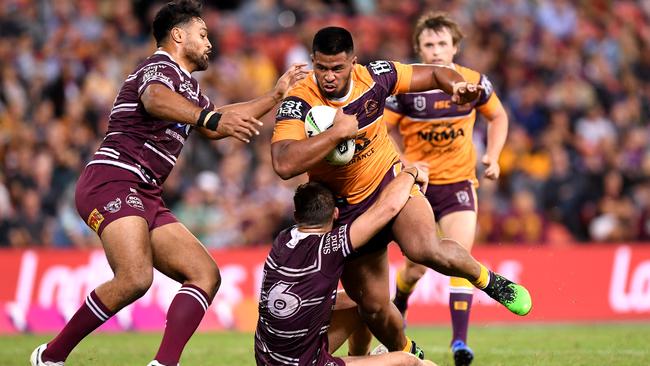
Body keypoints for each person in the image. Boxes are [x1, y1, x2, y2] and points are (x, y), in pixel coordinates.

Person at [30, 1, 307, 366]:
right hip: (113, 179)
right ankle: (49, 357)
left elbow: (216, 123)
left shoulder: (189, 89)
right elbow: (155, 99)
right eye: (203, 34)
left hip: (145, 192)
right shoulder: (159, 69)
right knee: (134, 277)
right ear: (178, 35)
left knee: (204, 274)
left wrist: (274, 96)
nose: (210, 43)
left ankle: (163, 364)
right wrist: (208, 118)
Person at [271, 26, 531, 358]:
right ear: (313, 62)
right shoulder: (299, 101)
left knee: (425, 249)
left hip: (390, 183)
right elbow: (283, 162)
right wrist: (335, 135)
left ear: (353, 61)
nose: (329, 76)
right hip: (348, 213)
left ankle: (492, 282)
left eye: (337, 68)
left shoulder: (378, 76)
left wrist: (457, 87)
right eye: (322, 68)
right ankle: (407, 353)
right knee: (374, 307)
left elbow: (436, 73)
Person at [383, 12, 509, 366]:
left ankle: (459, 343)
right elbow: (383, 131)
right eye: (429, 44)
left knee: (461, 257)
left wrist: (494, 156)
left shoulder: (473, 83)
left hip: (458, 184)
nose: (436, 50)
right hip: (418, 188)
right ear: (418, 49)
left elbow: (498, 116)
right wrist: (405, 162)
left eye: (442, 44)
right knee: (415, 268)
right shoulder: (406, 90)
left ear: (455, 47)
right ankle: (401, 301)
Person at [255, 165, 437, 366]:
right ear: (335, 214)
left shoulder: (283, 240)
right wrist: (409, 174)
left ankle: (362, 355)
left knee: (363, 299)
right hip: (307, 363)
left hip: (268, 358)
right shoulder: (331, 247)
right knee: (410, 362)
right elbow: (388, 208)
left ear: (297, 216)